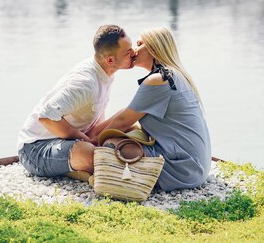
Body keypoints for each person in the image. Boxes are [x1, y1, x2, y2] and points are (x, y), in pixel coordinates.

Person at [89, 27, 211, 191]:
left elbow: (124, 120)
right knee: (125, 135)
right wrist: (92, 132)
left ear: (153, 48)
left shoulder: (159, 80)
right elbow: (128, 112)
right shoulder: (173, 75)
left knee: (112, 144)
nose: (133, 50)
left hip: (183, 170)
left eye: (139, 44)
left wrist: (93, 142)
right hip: (195, 167)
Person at [17, 24, 135, 177]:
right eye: (128, 52)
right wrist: (80, 138)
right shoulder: (86, 83)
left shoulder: (105, 72)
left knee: (132, 125)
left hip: (73, 140)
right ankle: (86, 167)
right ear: (110, 60)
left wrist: (99, 137)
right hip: (35, 148)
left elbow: (97, 112)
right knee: (90, 154)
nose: (133, 53)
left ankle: (87, 165)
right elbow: (46, 116)